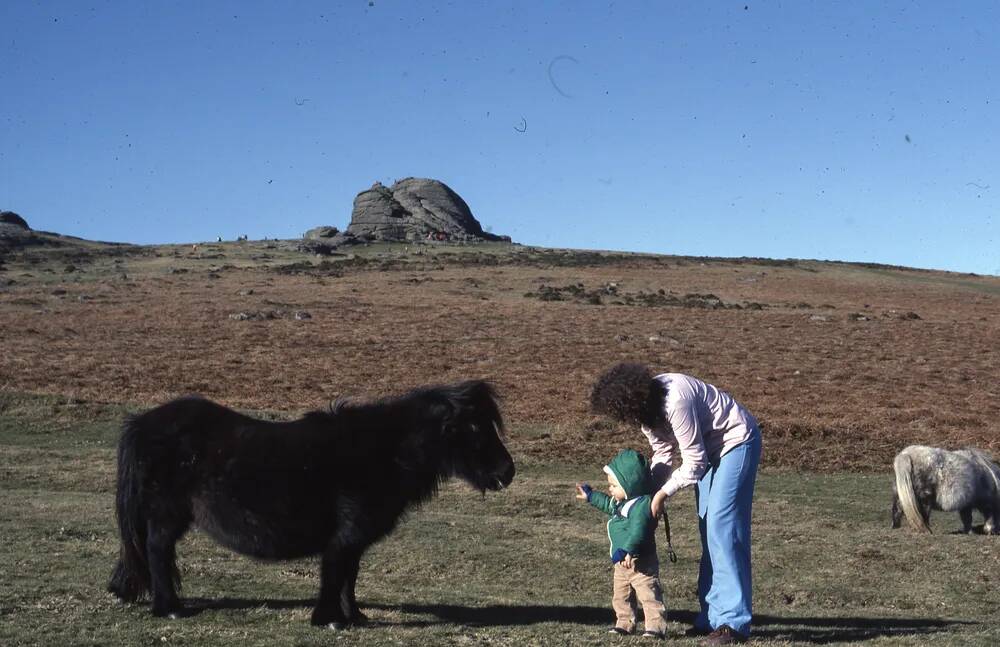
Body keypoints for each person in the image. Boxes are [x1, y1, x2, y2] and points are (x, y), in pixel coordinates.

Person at [589, 363, 762, 646]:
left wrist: (661, 495)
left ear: (629, 403)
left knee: (723, 528)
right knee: (709, 530)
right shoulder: (647, 413)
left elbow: (694, 463)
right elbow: (663, 453)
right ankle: (711, 619)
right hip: (708, 452)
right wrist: (644, 495)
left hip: (736, 442)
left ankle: (733, 623)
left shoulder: (675, 400)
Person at [575, 448, 667, 639]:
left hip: (640, 562)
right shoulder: (621, 502)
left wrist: (629, 551)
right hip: (621, 561)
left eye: (614, 486)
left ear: (630, 486)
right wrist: (591, 496)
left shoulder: (641, 506)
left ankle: (655, 627)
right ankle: (624, 623)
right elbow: (607, 503)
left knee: (648, 594)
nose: (610, 489)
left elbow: (639, 531)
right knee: (621, 595)